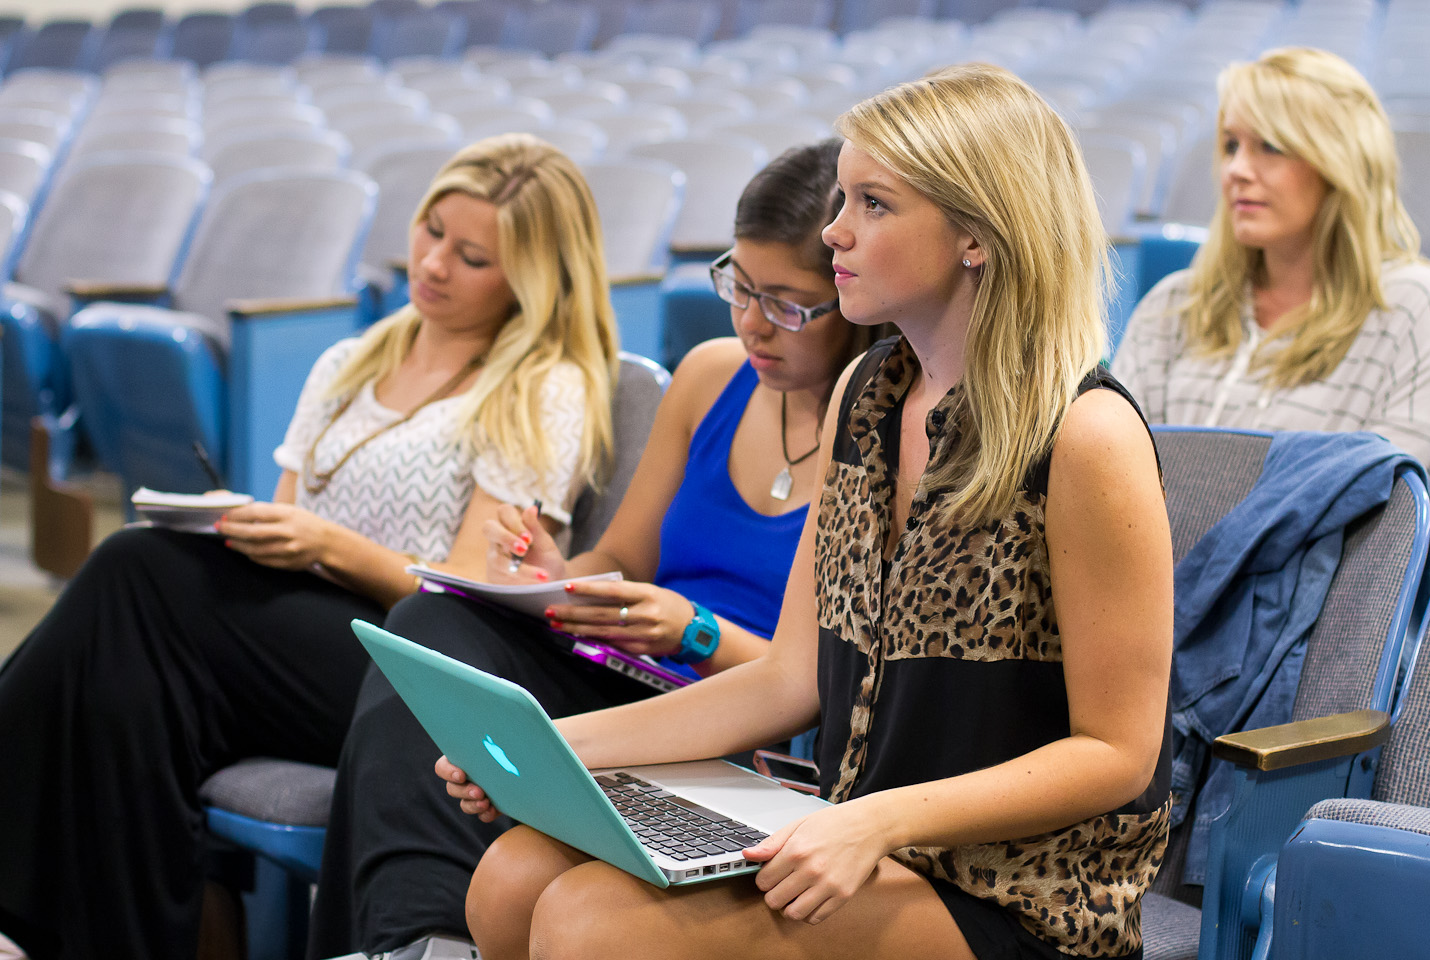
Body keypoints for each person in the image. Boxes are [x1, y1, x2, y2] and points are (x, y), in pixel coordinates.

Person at [439, 64, 1175, 960]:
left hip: (1019, 892)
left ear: (975, 235)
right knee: (511, 877)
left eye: (872, 203)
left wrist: (874, 823)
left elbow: (1117, 753)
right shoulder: (863, 396)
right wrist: (554, 749)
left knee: (589, 923)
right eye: (842, 200)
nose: (834, 232)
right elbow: (791, 678)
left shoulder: (1088, 436)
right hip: (854, 832)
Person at [0, 133, 619, 960]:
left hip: (409, 672)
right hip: (306, 647)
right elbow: (287, 531)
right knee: (127, 682)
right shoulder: (349, 358)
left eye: (471, 257)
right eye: (431, 231)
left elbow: (469, 604)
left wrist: (329, 545)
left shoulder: (542, 386)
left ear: (531, 279)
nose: (433, 264)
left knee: (133, 577)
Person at [306, 139, 891, 959]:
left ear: (854, 300)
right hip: (629, 676)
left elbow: (817, 680)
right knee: (427, 622)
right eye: (741, 287)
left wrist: (695, 631)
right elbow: (619, 557)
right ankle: (417, 940)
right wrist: (552, 574)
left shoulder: (870, 421)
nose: (754, 323)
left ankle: (416, 938)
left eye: (790, 305)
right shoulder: (708, 376)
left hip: (737, 713)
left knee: (430, 649)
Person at [1112, 46, 1430, 467]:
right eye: (1231, 145)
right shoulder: (1174, 305)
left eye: (1270, 146)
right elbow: (1115, 474)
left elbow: (1389, 512)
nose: (1236, 170)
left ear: (1340, 164)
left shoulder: (1415, 307)